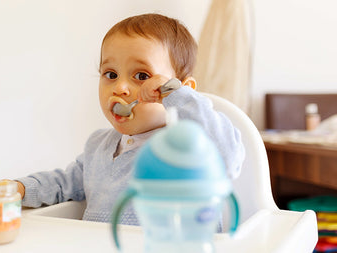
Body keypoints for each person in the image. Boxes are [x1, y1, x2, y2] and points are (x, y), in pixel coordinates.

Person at [15, 13, 245, 225]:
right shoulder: (97, 147)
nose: (120, 88)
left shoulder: (185, 145)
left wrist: (177, 96)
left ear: (184, 89)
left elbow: (227, 159)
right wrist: (20, 189)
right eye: (111, 75)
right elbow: (63, 184)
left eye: (142, 76)